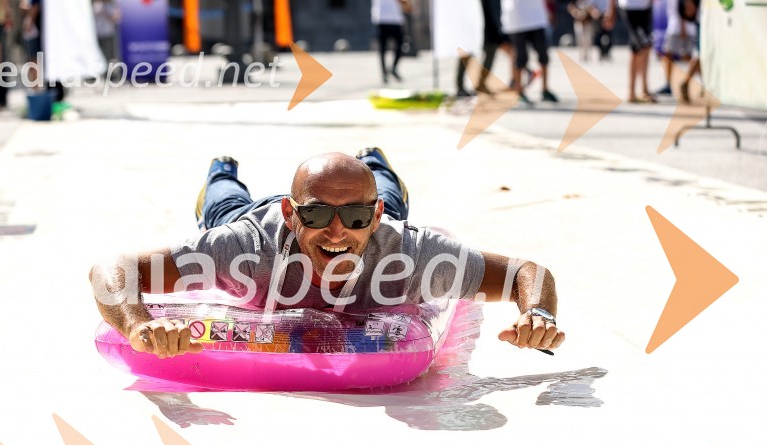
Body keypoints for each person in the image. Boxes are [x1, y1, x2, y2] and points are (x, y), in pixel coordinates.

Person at [90, 148, 566, 359]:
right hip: (249, 215)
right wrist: (138, 325)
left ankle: (376, 162)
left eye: (356, 217)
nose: (337, 232)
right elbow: (110, 271)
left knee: (390, 201)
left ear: (372, 216)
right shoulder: (246, 248)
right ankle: (222, 167)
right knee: (221, 205)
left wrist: (538, 313)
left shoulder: (411, 252)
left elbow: (527, 271)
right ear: (292, 214)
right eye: (317, 216)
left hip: (384, 212)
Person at [500, 0, 558, 104]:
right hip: (517, 19)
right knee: (520, 57)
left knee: (543, 55)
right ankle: (519, 91)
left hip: (537, 17)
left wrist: (549, 10)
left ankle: (545, 90)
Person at [606, 0, 655, 103]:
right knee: (640, 46)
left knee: (645, 46)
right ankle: (632, 92)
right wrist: (611, 10)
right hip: (629, 7)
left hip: (645, 6)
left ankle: (644, 89)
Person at [372, 0, 406, 83]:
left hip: (392, 18)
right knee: (383, 48)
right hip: (385, 18)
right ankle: (385, 73)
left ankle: (392, 69)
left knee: (399, 45)